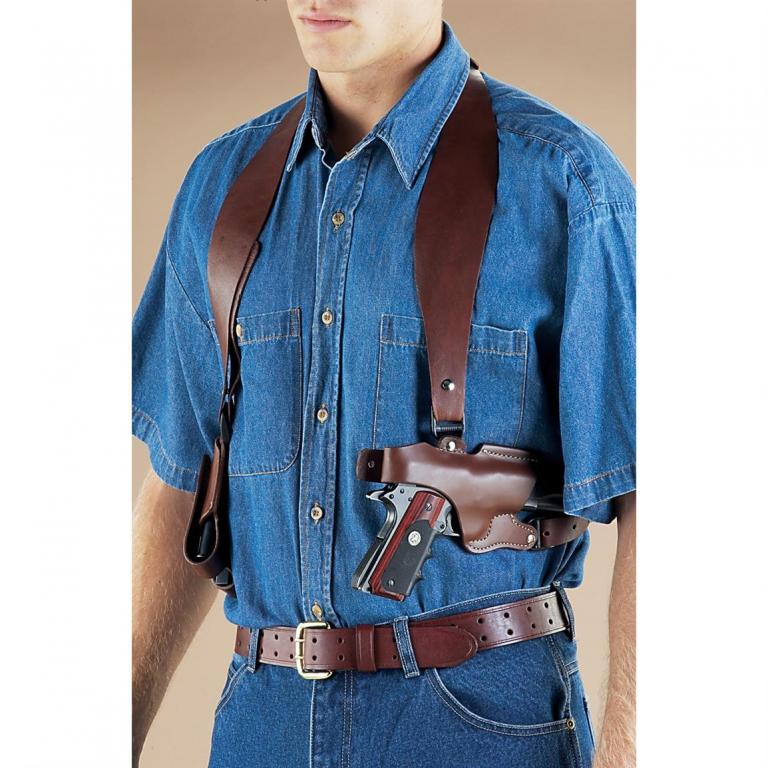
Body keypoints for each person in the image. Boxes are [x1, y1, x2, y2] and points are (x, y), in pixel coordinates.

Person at [132, 3, 636, 767]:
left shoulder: (563, 182)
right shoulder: (221, 188)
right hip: (265, 720)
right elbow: (181, 484)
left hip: (477, 720)